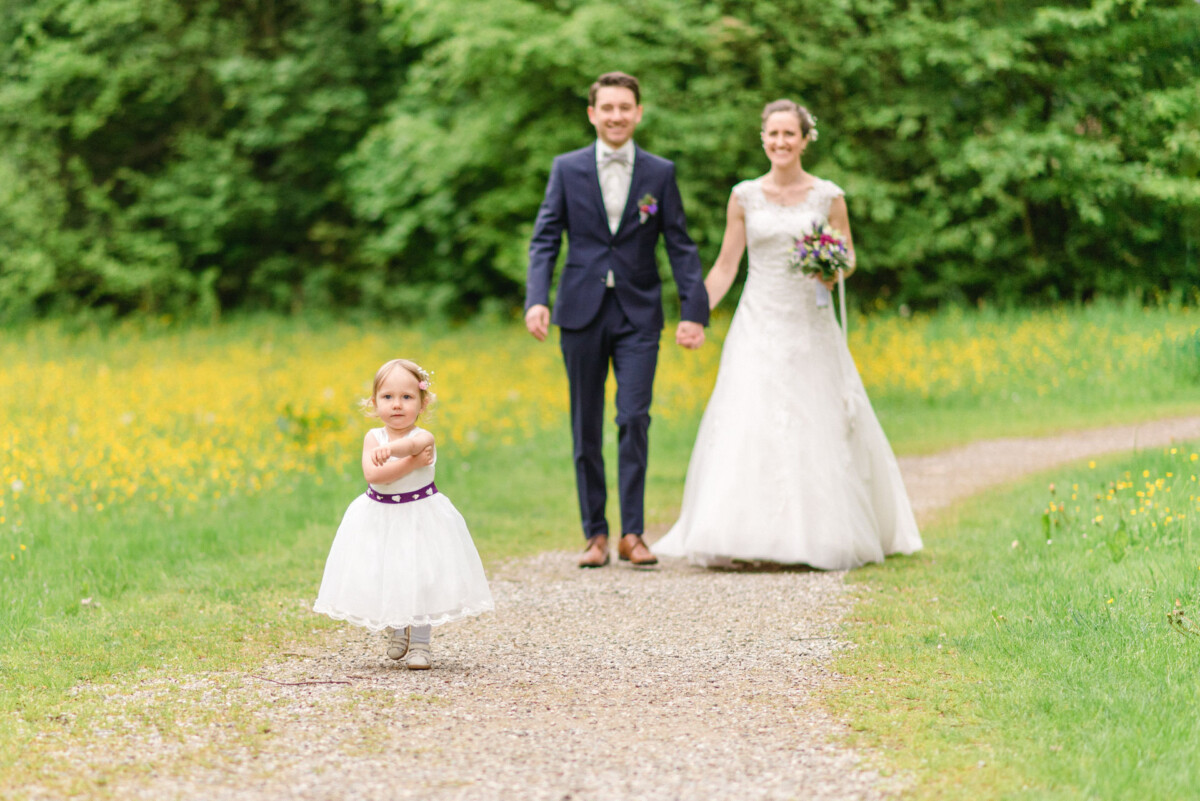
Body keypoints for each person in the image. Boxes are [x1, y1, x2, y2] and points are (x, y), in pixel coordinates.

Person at [654, 100, 923, 570]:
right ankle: (741, 536)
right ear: (763, 138)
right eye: (773, 134)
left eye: (789, 134)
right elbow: (726, 266)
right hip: (757, 322)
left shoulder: (828, 196)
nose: (780, 142)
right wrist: (695, 314)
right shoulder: (743, 196)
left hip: (808, 325)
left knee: (813, 418)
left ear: (804, 139)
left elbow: (848, 257)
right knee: (749, 418)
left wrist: (831, 268)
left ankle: (816, 535)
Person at [525, 71, 710, 569]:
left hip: (638, 312)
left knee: (633, 417)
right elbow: (545, 238)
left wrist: (694, 311)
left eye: (625, 107)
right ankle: (595, 535)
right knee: (585, 424)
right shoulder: (566, 168)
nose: (616, 116)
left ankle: (632, 534)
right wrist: (536, 299)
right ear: (592, 113)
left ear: (638, 113)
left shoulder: (660, 173)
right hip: (580, 311)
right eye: (607, 107)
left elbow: (680, 245)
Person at [313, 359, 493, 669]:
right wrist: (410, 462)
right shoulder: (373, 438)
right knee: (387, 573)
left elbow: (413, 446)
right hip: (380, 518)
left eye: (407, 397)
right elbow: (374, 475)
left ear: (423, 403)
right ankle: (397, 630)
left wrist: (396, 453)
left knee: (421, 576)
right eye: (388, 397)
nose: (397, 405)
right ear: (374, 403)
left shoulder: (425, 437)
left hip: (420, 516)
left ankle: (421, 643)